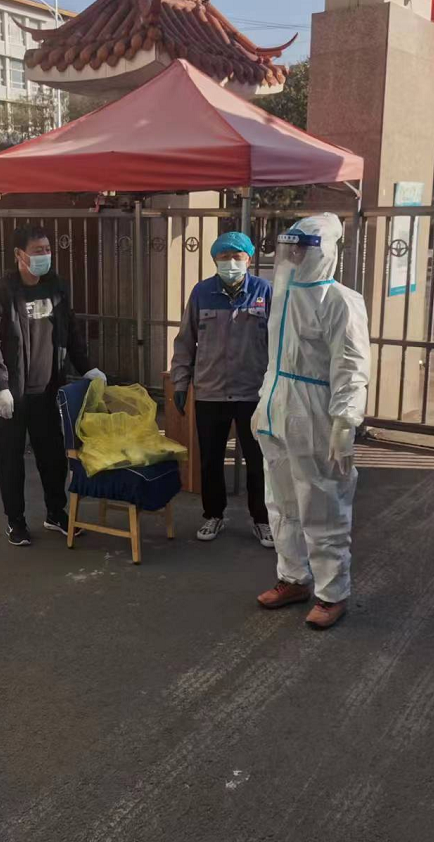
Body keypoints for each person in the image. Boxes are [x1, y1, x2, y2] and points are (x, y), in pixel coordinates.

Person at [252, 214, 370, 630]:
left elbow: (352, 368)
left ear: (324, 252)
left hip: (316, 412)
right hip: (277, 408)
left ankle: (331, 593)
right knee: (281, 503)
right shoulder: (283, 293)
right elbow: (275, 357)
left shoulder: (339, 300)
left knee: (322, 504)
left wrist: (345, 422)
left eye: (303, 247)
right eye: (291, 247)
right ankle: (293, 578)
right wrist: (264, 405)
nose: (295, 254)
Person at [0, 224, 106, 546]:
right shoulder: (1, 291)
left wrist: (87, 368)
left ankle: (55, 513)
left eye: (48, 250)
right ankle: (16, 522)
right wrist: (0, 385)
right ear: (19, 255)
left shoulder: (56, 287)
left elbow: (71, 332)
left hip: (48, 390)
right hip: (11, 394)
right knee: (11, 460)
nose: (45, 256)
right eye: (38, 251)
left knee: (52, 458)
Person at [170, 231, 274, 545]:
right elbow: (185, 340)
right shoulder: (202, 293)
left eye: (237, 256)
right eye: (224, 257)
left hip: (253, 393)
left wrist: (277, 388)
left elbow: (279, 342)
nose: (231, 262)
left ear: (249, 259)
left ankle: (262, 519)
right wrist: (180, 381)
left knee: (258, 461)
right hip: (211, 392)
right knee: (211, 460)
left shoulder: (264, 291)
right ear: (215, 260)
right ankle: (213, 515)